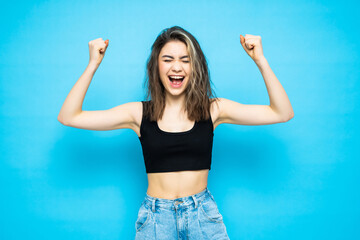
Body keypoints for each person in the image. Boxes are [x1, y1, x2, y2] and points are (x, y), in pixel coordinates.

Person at [58, 26, 294, 239]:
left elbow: (281, 113)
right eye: (168, 59)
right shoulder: (138, 114)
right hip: (156, 220)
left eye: (185, 60)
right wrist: (92, 65)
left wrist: (260, 60)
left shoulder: (214, 109)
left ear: (195, 66)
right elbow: (69, 117)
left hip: (203, 216)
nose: (177, 67)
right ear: (156, 66)